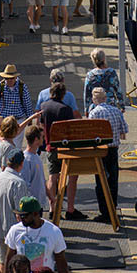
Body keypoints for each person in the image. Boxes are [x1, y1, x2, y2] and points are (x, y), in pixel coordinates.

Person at [3, 196, 75, 273]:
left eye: (25, 215)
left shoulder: (54, 232)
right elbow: (8, 260)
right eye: (20, 215)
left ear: (36, 214)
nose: (21, 218)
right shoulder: (15, 231)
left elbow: (61, 263)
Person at [40, 82, 85, 220]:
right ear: (63, 94)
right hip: (65, 149)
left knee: (53, 176)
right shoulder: (66, 109)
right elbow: (71, 129)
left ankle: (53, 208)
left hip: (50, 147)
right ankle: (70, 209)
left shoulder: (44, 107)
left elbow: (42, 126)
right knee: (72, 177)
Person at [87, 87, 128, 223]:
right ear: (105, 98)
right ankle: (113, 208)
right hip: (114, 150)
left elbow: (90, 135)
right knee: (113, 181)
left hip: (100, 151)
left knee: (101, 182)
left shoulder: (94, 113)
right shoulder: (116, 111)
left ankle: (104, 212)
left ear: (94, 99)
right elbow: (124, 130)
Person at [0, 150, 31, 271]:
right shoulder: (19, 183)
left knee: (3, 262)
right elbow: (22, 210)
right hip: (15, 231)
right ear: (21, 164)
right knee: (18, 263)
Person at [0, 64, 34, 145]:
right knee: (3, 144)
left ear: (15, 78)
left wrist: (30, 120)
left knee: (16, 146)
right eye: (7, 78)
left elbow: (27, 104)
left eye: (11, 78)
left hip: (18, 121)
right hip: (3, 121)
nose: (9, 80)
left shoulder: (22, 87)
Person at [83, 49, 124, 113]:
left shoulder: (90, 75)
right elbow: (118, 91)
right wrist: (121, 106)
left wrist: (87, 109)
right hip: (111, 106)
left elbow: (87, 95)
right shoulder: (112, 73)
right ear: (104, 59)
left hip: (95, 107)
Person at [22, 125, 49, 209]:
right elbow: (26, 184)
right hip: (31, 206)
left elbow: (42, 179)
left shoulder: (36, 156)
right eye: (42, 137)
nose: (44, 139)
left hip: (38, 203)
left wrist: (50, 196)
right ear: (36, 140)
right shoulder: (26, 159)